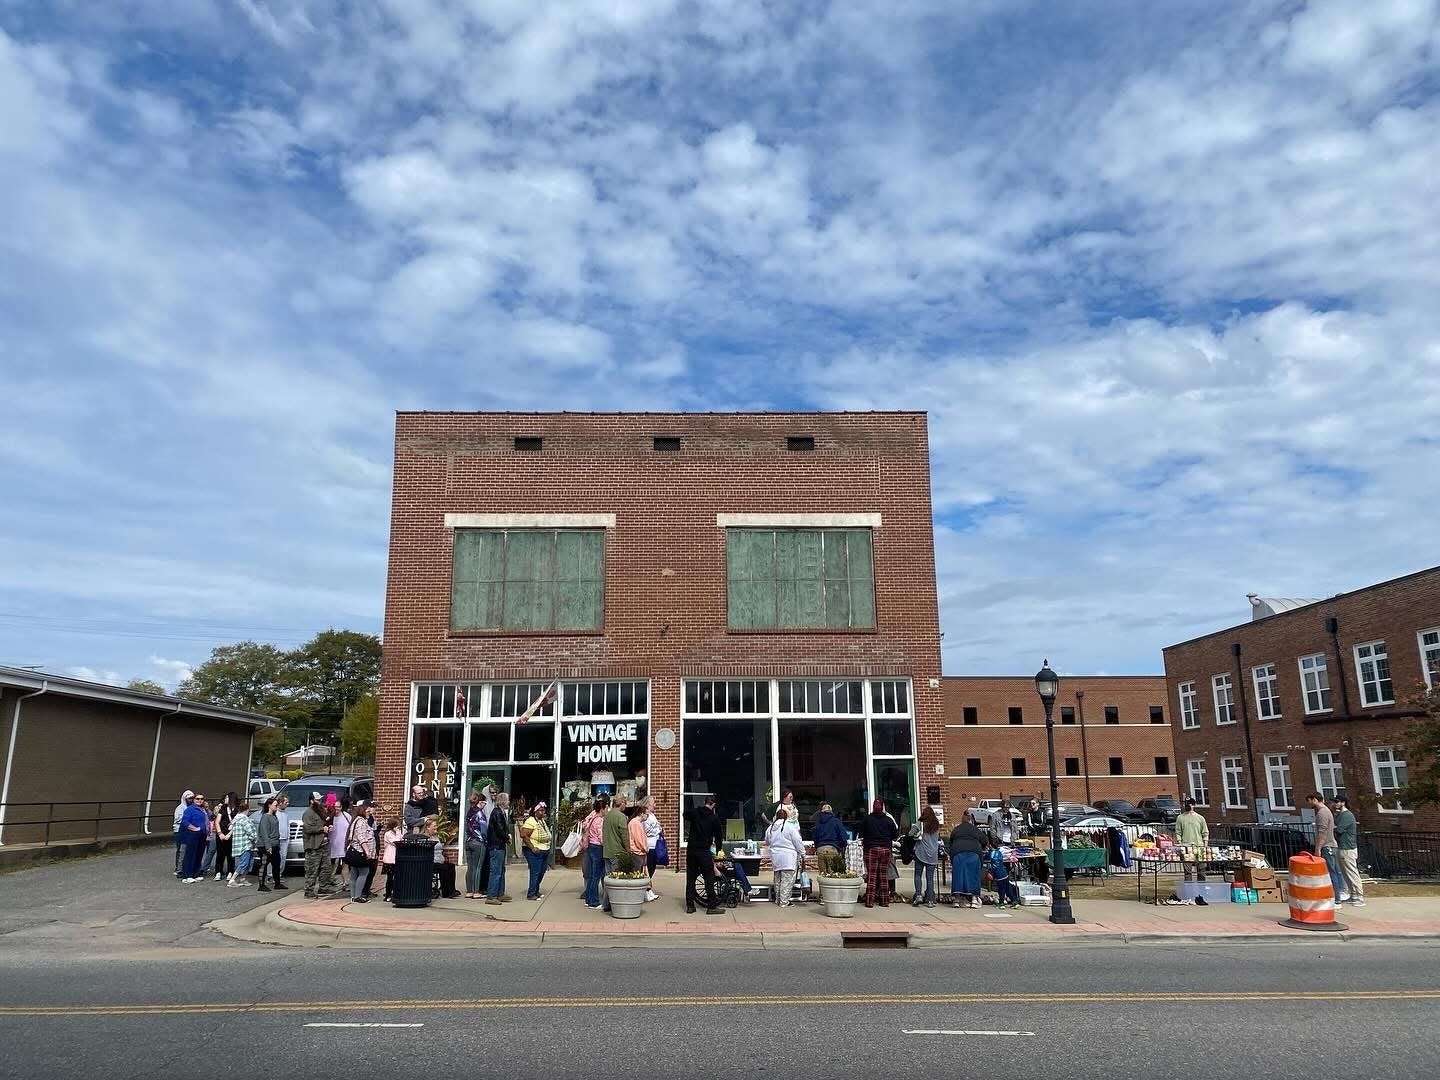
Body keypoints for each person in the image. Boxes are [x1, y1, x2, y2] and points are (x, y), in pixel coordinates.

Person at [684, 793, 725, 915]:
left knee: (690, 877)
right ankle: (711, 905)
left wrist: (696, 810)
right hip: (703, 851)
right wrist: (719, 851)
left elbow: (685, 814)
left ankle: (690, 905)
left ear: (704, 802)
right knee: (709, 877)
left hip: (691, 850)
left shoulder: (695, 813)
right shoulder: (714, 818)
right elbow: (719, 837)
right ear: (713, 805)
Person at [766, 806, 807, 907]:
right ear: (786, 817)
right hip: (789, 857)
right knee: (787, 880)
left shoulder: (770, 828)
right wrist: (803, 853)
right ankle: (784, 902)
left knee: (778, 879)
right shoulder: (789, 826)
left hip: (775, 856)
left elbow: (767, 841)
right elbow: (797, 841)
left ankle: (778, 899)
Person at [860, 798, 898, 908]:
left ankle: (869, 900)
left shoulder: (867, 819)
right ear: (882, 807)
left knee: (872, 875)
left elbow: (861, 833)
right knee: (883, 875)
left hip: (871, 848)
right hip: (885, 849)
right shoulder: (888, 820)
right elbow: (895, 835)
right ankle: (884, 900)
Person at [1308, 793, 1345, 902]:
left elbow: (1322, 833)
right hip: (1331, 846)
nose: (1309, 804)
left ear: (1314, 800)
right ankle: (1337, 896)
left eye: (1310, 801)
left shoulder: (1322, 813)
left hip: (1327, 847)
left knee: (1331, 873)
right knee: (1334, 872)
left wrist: (1318, 848)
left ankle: (1336, 899)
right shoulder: (1326, 811)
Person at [301, 791, 339, 899]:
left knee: (326, 868)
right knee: (312, 870)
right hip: (313, 846)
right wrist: (322, 829)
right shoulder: (308, 813)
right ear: (311, 801)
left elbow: (326, 820)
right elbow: (308, 828)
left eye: (320, 800)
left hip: (323, 844)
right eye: (317, 800)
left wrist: (327, 827)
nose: (319, 802)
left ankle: (323, 887)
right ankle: (309, 891)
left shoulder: (320, 811)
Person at [947, 811, 985, 908]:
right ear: (971, 820)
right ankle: (974, 899)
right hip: (974, 853)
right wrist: (982, 848)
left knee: (958, 877)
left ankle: (957, 899)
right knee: (974, 876)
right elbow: (984, 840)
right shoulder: (975, 829)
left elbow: (950, 843)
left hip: (958, 853)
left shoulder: (956, 829)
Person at [1333, 796, 1365, 906]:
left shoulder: (1347, 815)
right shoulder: (1340, 815)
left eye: (1337, 802)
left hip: (1348, 848)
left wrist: (1334, 827)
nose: (1335, 804)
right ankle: (1353, 894)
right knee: (1346, 873)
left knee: (1352, 872)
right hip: (1342, 847)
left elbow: (1339, 829)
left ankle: (1359, 896)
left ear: (1343, 802)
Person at [601, 794, 630, 912]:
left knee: (608, 879)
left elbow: (603, 832)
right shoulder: (621, 817)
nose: (626, 805)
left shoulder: (607, 816)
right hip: (617, 852)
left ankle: (606, 903)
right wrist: (628, 850)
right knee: (616, 881)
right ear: (620, 803)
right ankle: (612, 904)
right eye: (624, 802)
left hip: (607, 851)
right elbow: (625, 835)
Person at [520, 801, 552, 900]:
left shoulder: (541, 820)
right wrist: (532, 847)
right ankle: (531, 894)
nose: (543, 812)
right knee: (535, 872)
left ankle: (536, 890)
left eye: (544, 810)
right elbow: (524, 835)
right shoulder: (530, 821)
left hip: (544, 850)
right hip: (534, 851)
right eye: (541, 811)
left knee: (542, 871)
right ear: (535, 812)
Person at [345, 803, 376, 903]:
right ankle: (358, 896)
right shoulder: (361, 822)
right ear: (362, 811)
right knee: (363, 873)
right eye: (367, 811)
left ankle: (353, 896)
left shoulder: (355, 820)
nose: (368, 813)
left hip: (354, 851)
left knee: (354, 873)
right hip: (360, 852)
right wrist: (367, 852)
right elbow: (362, 838)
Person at [484, 792, 512, 905]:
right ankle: (491, 896)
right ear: (503, 801)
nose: (509, 802)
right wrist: (507, 837)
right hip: (496, 846)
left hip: (500, 845)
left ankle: (500, 893)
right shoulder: (497, 813)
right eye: (508, 800)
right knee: (495, 871)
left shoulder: (501, 812)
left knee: (501, 870)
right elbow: (500, 829)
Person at [911, 806, 942, 907]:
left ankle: (919, 895)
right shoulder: (936, 825)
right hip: (933, 854)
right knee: (930, 878)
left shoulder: (921, 823)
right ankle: (930, 900)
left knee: (918, 875)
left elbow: (911, 833)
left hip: (920, 853)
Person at [582, 796, 608, 909]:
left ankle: (588, 898)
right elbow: (601, 838)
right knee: (596, 876)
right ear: (602, 808)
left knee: (592, 875)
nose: (607, 810)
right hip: (598, 848)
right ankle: (594, 901)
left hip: (591, 847)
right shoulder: (600, 821)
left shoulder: (592, 818)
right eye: (606, 808)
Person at [1175, 799, 1210, 882]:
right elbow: (1178, 832)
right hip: (1186, 848)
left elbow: (1205, 833)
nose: (1186, 805)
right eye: (1186, 804)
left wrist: (1205, 846)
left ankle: (1202, 891)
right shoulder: (1180, 818)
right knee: (1187, 872)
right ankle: (1188, 892)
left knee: (1201, 871)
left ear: (1193, 805)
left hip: (1200, 847)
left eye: (1189, 804)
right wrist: (1181, 844)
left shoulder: (1200, 818)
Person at [464, 790, 489, 899]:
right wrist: (486, 840)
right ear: (481, 802)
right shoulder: (480, 814)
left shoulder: (469, 812)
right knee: (477, 867)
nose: (485, 805)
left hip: (468, 841)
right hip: (478, 842)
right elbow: (484, 830)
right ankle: (476, 891)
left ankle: (469, 891)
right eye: (485, 803)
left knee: (470, 867)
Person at [179, 793, 209, 882]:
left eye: (202, 799)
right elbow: (185, 821)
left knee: (199, 854)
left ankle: (195, 873)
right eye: (197, 798)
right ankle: (187, 875)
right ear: (194, 800)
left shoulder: (203, 810)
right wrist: (194, 828)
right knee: (190, 854)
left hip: (202, 834)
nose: (200, 800)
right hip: (193, 835)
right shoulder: (190, 809)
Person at [426, 819, 459, 898]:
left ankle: (452, 889)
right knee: (444, 868)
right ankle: (446, 892)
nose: (436, 827)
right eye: (434, 826)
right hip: (431, 862)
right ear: (428, 827)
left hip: (440, 860)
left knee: (451, 866)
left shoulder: (436, 837)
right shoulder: (426, 838)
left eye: (436, 825)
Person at [255, 797, 283, 892]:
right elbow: (264, 833)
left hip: (275, 844)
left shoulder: (274, 816)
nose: (277, 806)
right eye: (275, 805)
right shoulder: (265, 817)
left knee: (276, 864)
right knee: (264, 865)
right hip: (265, 845)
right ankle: (261, 885)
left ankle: (277, 883)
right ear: (269, 805)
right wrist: (268, 846)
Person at [627, 804, 653, 900]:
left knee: (638, 875)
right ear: (642, 814)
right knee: (636, 876)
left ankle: (637, 895)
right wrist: (645, 848)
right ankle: (634, 896)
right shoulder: (635, 823)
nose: (647, 816)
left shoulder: (635, 823)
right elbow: (638, 839)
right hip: (637, 852)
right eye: (647, 814)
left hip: (638, 852)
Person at [228, 799, 256, 887]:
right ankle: (232, 880)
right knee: (244, 863)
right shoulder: (245, 820)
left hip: (239, 844)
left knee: (247, 862)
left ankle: (243, 878)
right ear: (247, 810)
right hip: (246, 845)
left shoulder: (235, 820)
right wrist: (255, 840)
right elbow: (251, 832)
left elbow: (230, 829)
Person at [641, 797, 664, 896]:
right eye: (653, 803)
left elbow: (657, 826)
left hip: (655, 845)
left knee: (653, 867)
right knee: (648, 867)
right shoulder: (645, 816)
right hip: (649, 845)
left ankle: (648, 888)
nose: (655, 805)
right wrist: (658, 830)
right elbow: (646, 830)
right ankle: (645, 889)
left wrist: (660, 828)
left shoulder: (652, 815)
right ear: (648, 805)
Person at [988, 838, 1020, 908]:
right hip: (1004, 872)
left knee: (1001, 888)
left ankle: (1001, 902)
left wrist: (990, 872)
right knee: (1007, 888)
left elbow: (994, 865)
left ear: (990, 845)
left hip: (999, 874)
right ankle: (1014, 901)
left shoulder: (992, 854)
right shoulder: (999, 852)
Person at [329, 796, 353, 890]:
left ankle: (345, 883)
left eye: (338, 807)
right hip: (332, 845)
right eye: (335, 807)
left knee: (345, 864)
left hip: (344, 844)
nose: (337, 809)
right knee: (331, 866)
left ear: (342, 807)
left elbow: (351, 828)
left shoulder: (346, 816)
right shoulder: (329, 817)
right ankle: (329, 881)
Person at [381, 817, 404, 901]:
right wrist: (398, 833)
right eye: (397, 826)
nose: (398, 828)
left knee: (397, 877)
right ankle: (388, 895)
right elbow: (397, 843)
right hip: (390, 860)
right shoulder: (388, 834)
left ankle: (396, 893)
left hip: (397, 859)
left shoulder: (398, 834)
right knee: (390, 878)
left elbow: (402, 841)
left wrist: (399, 833)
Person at [173, 789, 194, 878]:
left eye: (192, 798)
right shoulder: (180, 808)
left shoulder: (193, 807)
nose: (191, 800)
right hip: (179, 831)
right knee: (180, 849)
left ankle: (186, 866)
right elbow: (178, 819)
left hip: (189, 830)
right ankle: (178, 867)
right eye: (189, 798)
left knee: (188, 849)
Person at [273, 795, 291, 879]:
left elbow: (287, 825)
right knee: (274, 858)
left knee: (283, 857)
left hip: (285, 839)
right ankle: (271, 875)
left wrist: (288, 836)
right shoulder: (275, 813)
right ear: (280, 803)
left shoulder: (286, 814)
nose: (287, 804)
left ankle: (279, 874)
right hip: (277, 839)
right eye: (286, 802)